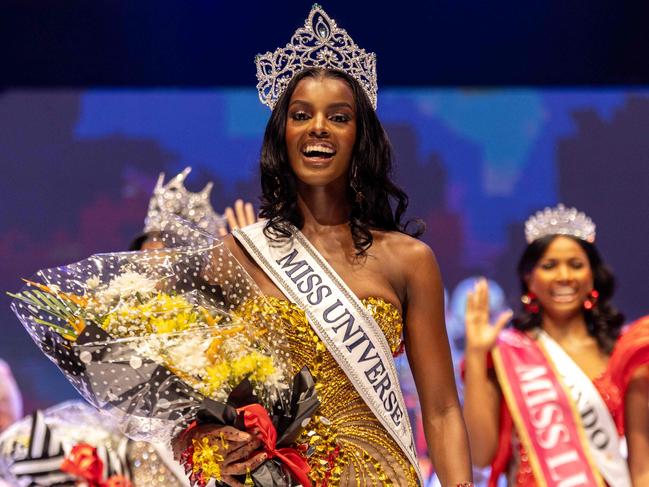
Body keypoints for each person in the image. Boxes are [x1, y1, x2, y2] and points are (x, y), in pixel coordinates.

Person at [174, 5, 473, 487]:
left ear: (360, 137)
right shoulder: (236, 256)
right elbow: (184, 413)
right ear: (283, 134)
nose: (319, 127)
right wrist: (215, 450)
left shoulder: (409, 260)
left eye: (339, 117)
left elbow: (440, 409)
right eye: (301, 115)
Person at [462, 204, 649, 486]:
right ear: (529, 278)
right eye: (549, 266)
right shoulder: (507, 355)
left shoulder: (622, 351)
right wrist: (476, 354)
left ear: (592, 276)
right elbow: (479, 454)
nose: (564, 276)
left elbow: (641, 465)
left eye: (576, 265)